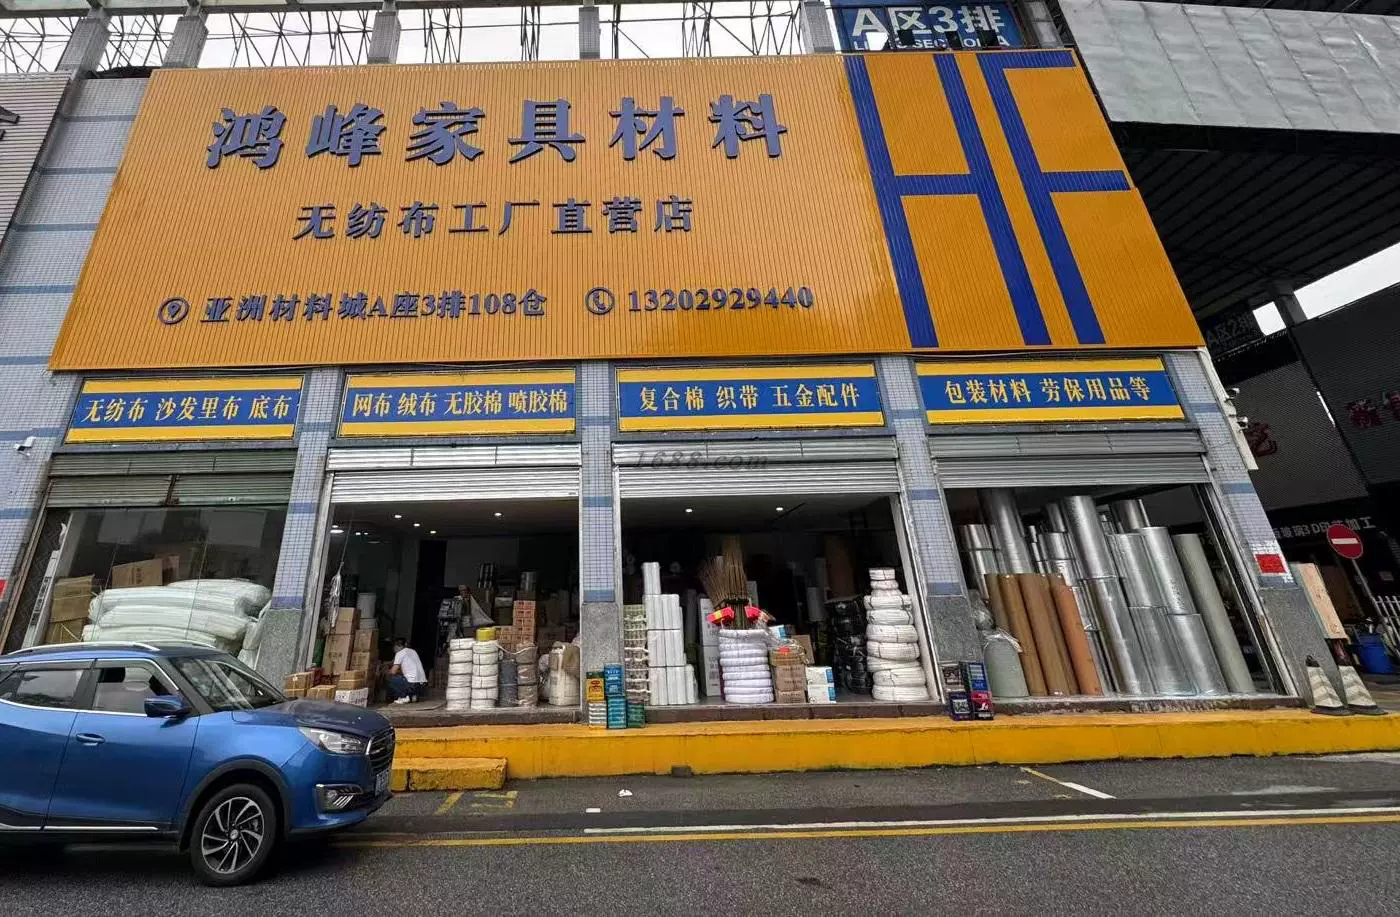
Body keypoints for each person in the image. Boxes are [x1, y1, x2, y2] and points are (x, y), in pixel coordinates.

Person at [388, 637, 428, 705]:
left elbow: (393, 672)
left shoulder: (400, 653)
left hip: (412, 685)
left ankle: (403, 697)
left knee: (392, 679)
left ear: (396, 646)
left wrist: (386, 671)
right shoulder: (413, 651)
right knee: (404, 678)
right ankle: (413, 696)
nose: (393, 649)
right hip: (422, 686)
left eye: (393, 647)